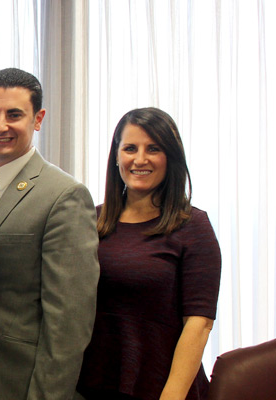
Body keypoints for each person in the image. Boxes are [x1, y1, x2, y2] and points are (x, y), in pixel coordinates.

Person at [0, 67, 99, 400]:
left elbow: (68, 323)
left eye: (14, 115)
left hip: (21, 385)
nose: (0, 126)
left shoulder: (64, 195)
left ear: (37, 119)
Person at [77, 108, 220, 400]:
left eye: (153, 148)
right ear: (116, 156)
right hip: (89, 385)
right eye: (130, 148)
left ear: (170, 157)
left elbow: (199, 323)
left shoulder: (193, 226)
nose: (140, 159)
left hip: (162, 388)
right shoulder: (89, 221)